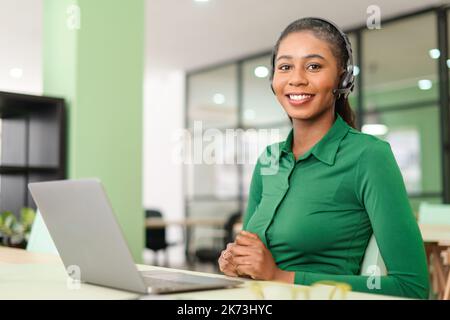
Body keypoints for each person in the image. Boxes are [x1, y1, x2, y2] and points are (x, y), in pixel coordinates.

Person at [218, 17, 429, 299]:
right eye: (285, 67)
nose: (296, 79)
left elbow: (411, 289)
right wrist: (238, 264)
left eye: (314, 66)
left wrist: (281, 277)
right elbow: (251, 258)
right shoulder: (268, 159)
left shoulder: (369, 156)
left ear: (342, 78)